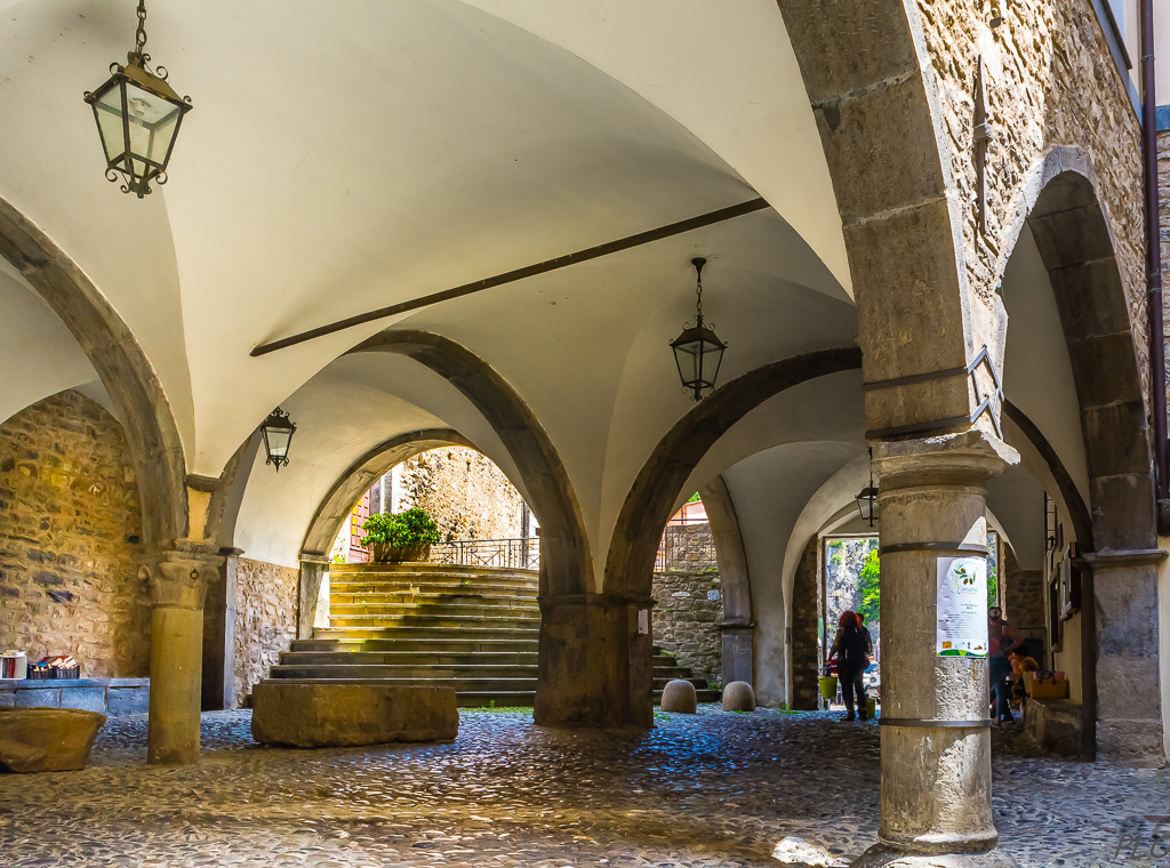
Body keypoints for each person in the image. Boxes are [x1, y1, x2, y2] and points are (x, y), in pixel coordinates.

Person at [829, 610, 872, 721]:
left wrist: (830, 658)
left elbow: (838, 647)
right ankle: (862, 712)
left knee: (846, 688)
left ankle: (850, 713)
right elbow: (867, 648)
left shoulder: (841, 632)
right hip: (859, 664)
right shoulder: (860, 631)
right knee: (859, 687)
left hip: (845, 664)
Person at [988, 606, 1023, 724]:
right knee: (999, 689)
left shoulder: (995, 627)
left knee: (992, 689)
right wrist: (1008, 650)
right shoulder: (1004, 627)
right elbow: (1019, 640)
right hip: (1000, 660)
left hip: (994, 661)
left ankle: (996, 716)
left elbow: (1018, 640)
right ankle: (998, 717)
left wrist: (1007, 649)